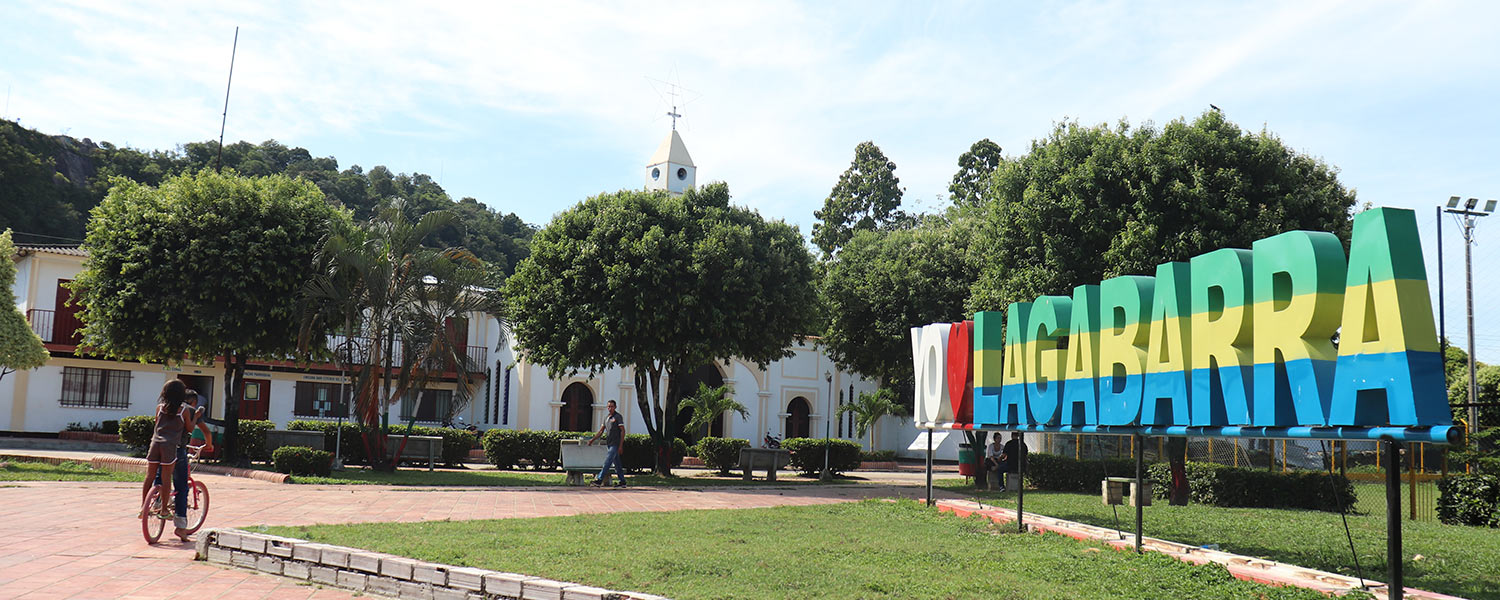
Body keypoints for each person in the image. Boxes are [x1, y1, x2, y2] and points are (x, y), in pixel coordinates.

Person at [157, 389, 214, 540]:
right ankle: (181, 527)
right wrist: (209, 445)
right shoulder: (189, 411)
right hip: (178, 450)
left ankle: (156, 501)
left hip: (159, 447)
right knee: (181, 487)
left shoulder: (164, 407)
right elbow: (205, 432)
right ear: (194, 402)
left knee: (161, 477)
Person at [140, 380, 195, 527]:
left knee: (150, 476)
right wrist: (196, 416)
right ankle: (164, 509)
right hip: (170, 447)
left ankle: (143, 507)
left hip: (155, 444)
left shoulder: (160, 408)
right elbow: (189, 428)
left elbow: (157, 423)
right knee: (166, 479)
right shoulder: (183, 411)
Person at [587, 399, 627, 488]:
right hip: (609, 443)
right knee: (617, 463)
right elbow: (601, 431)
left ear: (615, 407)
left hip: (615, 444)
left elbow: (623, 431)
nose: (610, 408)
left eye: (612, 406)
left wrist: (621, 445)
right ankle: (622, 481)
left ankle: (599, 480)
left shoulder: (618, 417)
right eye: (608, 406)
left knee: (608, 461)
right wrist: (592, 440)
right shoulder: (606, 418)